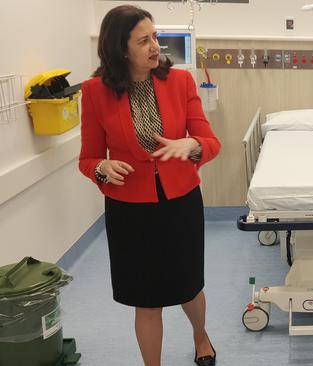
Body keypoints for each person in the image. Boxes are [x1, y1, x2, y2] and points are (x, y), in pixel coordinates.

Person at [78, 5, 221, 366]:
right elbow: (88, 158)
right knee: (146, 297)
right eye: (144, 40)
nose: (155, 46)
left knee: (189, 287)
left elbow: (210, 140)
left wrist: (192, 146)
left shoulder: (181, 82)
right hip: (129, 209)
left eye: (155, 36)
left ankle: (200, 337)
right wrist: (102, 167)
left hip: (180, 202)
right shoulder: (96, 92)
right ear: (120, 49)